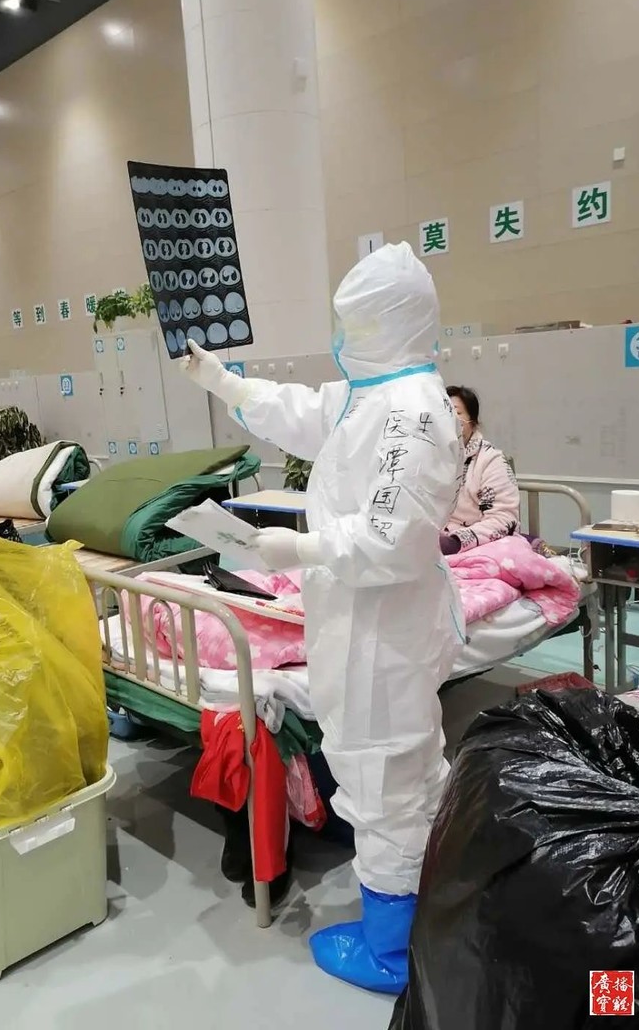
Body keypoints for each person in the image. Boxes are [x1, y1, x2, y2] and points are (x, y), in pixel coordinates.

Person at [182, 242, 466, 994]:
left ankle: (392, 951)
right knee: (399, 774)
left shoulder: (415, 413)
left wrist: (299, 545)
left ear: (388, 323)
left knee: (383, 777)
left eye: (353, 324)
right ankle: (422, 908)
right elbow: (303, 412)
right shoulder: (369, 397)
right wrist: (223, 381)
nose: (342, 340)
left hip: (382, 634)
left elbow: (392, 540)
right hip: (359, 622)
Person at [441, 385, 520, 555]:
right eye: (442, 413)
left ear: (473, 423)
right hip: (431, 547)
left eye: (456, 412)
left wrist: (455, 542)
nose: (449, 420)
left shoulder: (490, 460)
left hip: (478, 546)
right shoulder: (426, 460)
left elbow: (503, 518)